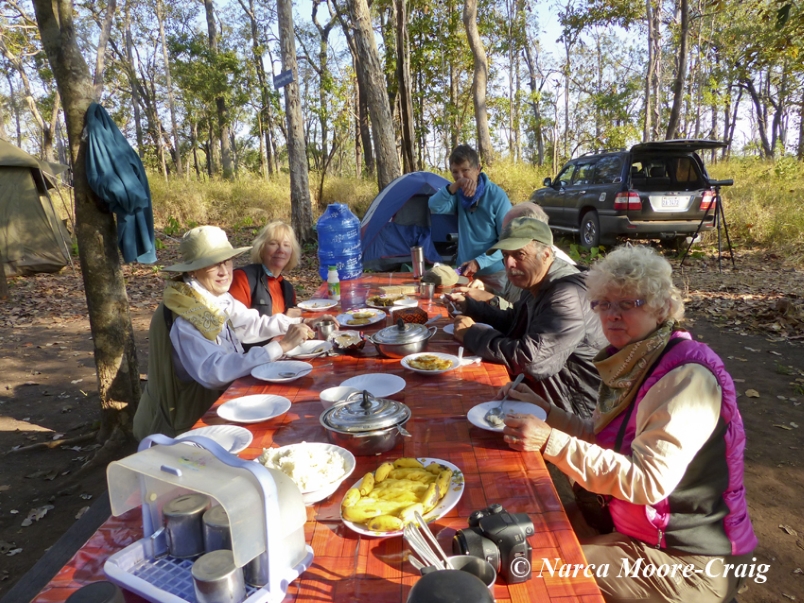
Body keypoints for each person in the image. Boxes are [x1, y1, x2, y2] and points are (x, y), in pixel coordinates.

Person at [499, 245, 757, 603]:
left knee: (538, 568)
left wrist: (549, 442)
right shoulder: (633, 359)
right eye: (603, 304)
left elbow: (648, 481)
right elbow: (605, 438)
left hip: (690, 560)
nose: (611, 315)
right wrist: (547, 412)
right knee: (522, 534)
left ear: (662, 308)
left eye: (628, 303)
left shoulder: (686, 378)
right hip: (633, 528)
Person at [133, 226, 334, 440]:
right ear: (193, 270)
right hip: (181, 425)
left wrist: (303, 321)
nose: (224, 271)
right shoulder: (185, 313)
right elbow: (214, 371)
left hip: (213, 406)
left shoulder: (212, 296)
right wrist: (280, 347)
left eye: (227, 261)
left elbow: (251, 324)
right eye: (213, 264)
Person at [450, 216, 607, 417]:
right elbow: (515, 322)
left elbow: (532, 361)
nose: (509, 264)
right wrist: (471, 307)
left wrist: (472, 334)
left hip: (575, 414)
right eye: (505, 255)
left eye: (519, 255)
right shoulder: (536, 282)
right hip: (544, 398)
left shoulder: (566, 295)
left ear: (546, 254)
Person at [451, 202, 575, 310]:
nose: (509, 263)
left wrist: (491, 299)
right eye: (505, 254)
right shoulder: (522, 264)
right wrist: (487, 290)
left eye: (508, 231)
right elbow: (512, 303)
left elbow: (524, 322)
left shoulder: (563, 288)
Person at [428, 144, 511, 293]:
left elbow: (507, 243)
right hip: (465, 272)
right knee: (460, 311)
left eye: (465, 170)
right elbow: (434, 206)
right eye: (455, 172)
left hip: (493, 273)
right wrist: (454, 186)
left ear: (478, 169)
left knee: (495, 311)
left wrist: (479, 262)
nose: (460, 177)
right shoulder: (457, 195)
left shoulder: (497, 196)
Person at [229, 221, 301, 349]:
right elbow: (234, 329)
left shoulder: (288, 288)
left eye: (286, 245)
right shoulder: (243, 278)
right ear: (261, 248)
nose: (281, 250)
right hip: (250, 358)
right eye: (273, 244)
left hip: (281, 352)